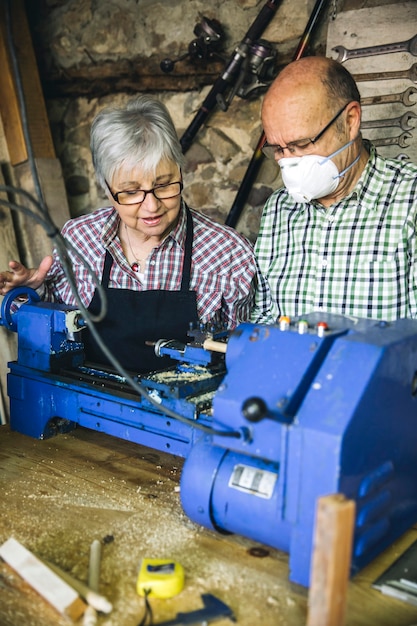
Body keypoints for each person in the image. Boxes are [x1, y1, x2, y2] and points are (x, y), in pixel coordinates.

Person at [0, 95, 270, 373]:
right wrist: (29, 296)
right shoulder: (79, 239)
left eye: (164, 185)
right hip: (87, 410)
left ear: (181, 171)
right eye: (131, 192)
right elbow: (47, 334)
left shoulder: (228, 253)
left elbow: (241, 364)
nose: (151, 206)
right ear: (107, 188)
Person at [252, 55, 417, 323]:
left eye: (301, 144)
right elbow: (265, 317)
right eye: (278, 149)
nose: (288, 162)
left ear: (351, 121)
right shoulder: (278, 209)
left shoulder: (410, 200)